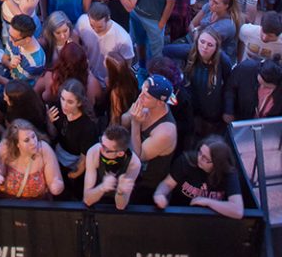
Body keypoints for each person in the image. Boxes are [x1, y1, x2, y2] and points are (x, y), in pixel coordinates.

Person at [154, 137, 244, 218]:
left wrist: (207, 202)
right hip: (182, 212)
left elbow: (237, 211)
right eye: (200, 152)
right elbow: (168, 184)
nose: (199, 158)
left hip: (213, 219)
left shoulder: (228, 173)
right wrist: (160, 194)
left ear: (217, 163)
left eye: (205, 158)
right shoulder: (187, 161)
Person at [122, 74, 178, 203]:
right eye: (141, 91)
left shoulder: (166, 131)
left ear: (160, 102)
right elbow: (123, 122)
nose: (140, 96)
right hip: (129, 173)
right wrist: (131, 116)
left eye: (146, 96)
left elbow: (137, 157)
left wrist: (135, 123)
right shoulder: (145, 103)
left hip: (146, 186)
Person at [46, 78, 98, 197]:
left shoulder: (87, 127)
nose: (64, 105)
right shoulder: (58, 109)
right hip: (56, 154)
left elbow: (83, 161)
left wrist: (70, 176)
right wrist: (49, 122)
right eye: (62, 99)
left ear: (79, 103)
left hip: (73, 162)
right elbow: (52, 135)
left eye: (70, 102)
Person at [0, 119, 64, 199]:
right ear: (17, 144)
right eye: (26, 140)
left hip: (37, 204)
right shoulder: (4, 149)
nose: (33, 143)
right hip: (8, 203)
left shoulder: (43, 149)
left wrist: (56, 186)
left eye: (33, 136)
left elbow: (55, 179)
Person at [76, 3, 134, 91]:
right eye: (92, 26)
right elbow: (75, 37)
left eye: (100, 27)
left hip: (108, 82)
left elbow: (127, 63)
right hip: (86, 76)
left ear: (108, 19)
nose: (95, 30)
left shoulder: (123, 39)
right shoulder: (82, 21)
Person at [83, 124, 141, 209]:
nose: (100, 148)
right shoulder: (94, 152)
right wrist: (102, 187)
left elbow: (120, 206)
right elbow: (87, 200)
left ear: (120, 153)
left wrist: (120, 191)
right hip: (97, 199)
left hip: (118, 204)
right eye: (101, 142)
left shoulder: (134, 163)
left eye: (105, 148)